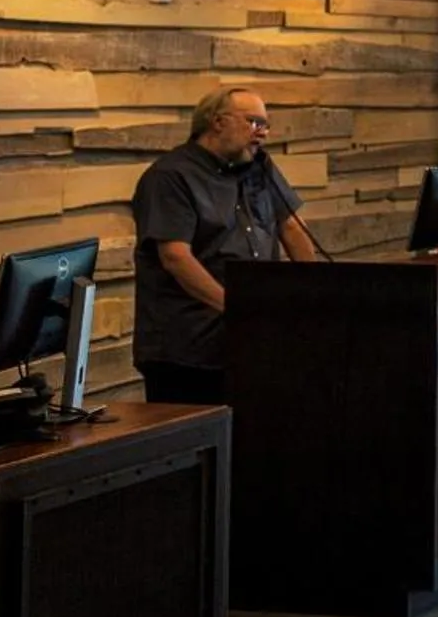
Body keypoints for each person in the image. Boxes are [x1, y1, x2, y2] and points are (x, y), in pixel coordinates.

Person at [131, 88, 318, 405]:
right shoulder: (170, 176)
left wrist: (316, 292)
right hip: (189, 349)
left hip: (250, 339)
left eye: (266, 126)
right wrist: (240, 307)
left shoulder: (258, 167)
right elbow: (175, 257)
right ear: (218, 122)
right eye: (254, 122)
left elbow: (290, 225)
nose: (263, 133)